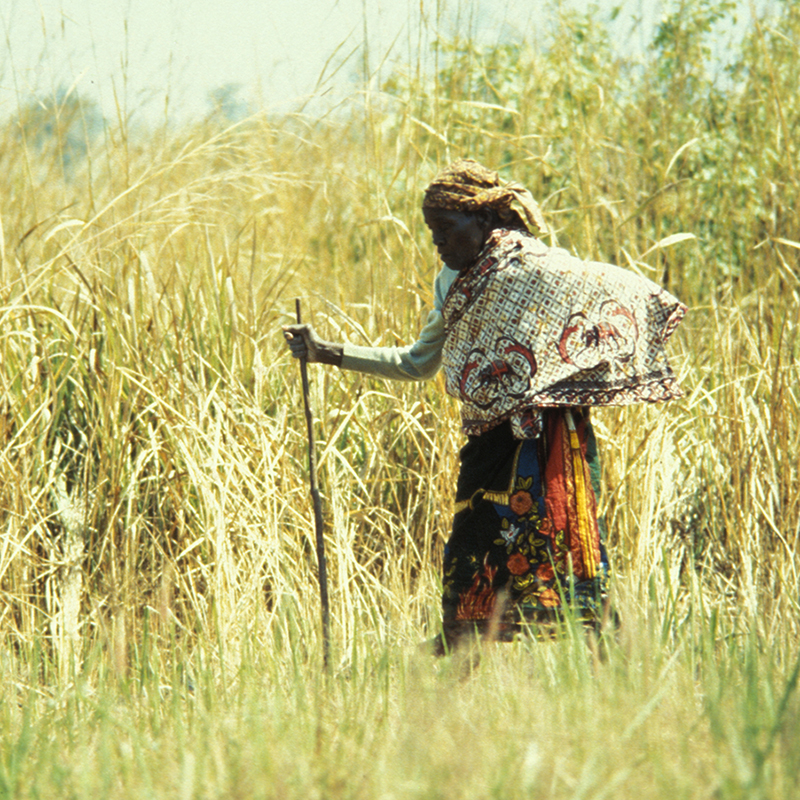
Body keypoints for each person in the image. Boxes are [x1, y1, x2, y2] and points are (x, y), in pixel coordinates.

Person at [283, 158, 686, 652]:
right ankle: (457, 651)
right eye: (433, 233)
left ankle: (607, 666)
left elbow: (611, 288)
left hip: (549, 439)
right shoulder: (450, 285)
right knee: (472, 553)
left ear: (486, 220)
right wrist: (326, 353)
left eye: (447, 230)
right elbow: (416, 363)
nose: (439, 243)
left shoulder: (537, 269)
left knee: (568, 552)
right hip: (489, 444)